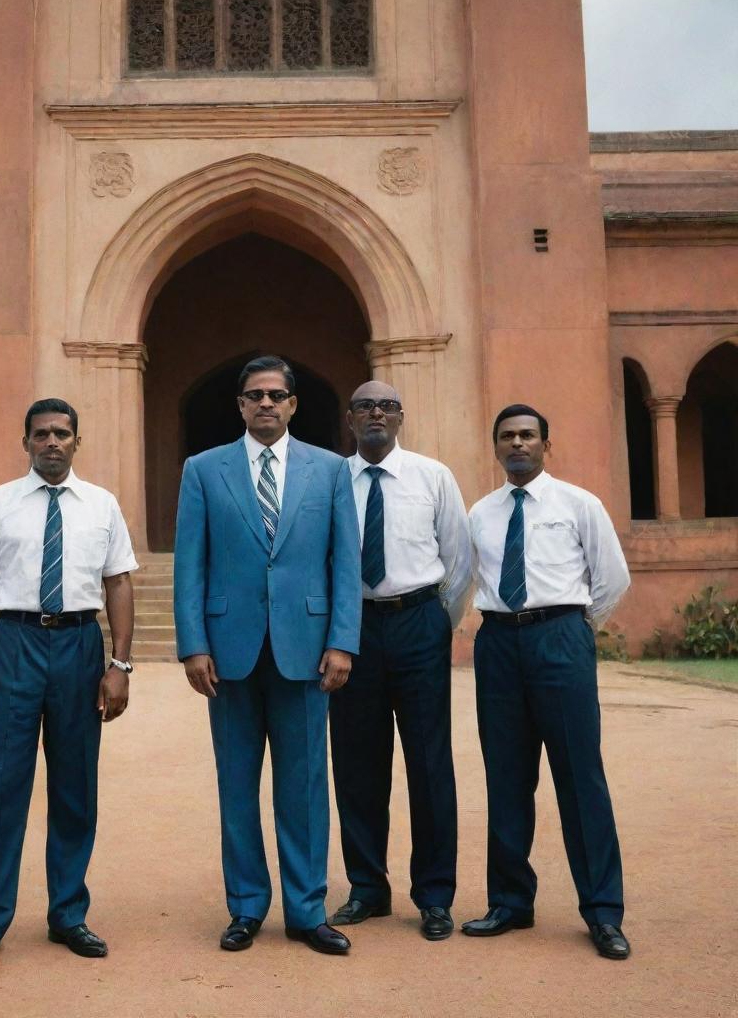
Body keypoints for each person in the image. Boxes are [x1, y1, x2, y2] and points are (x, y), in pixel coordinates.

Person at [174, 355, 362, 956]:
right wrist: (193, 643)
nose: (265, 404)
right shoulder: (203, 470)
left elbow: (345, 562)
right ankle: (247, 906)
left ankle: (307, 911)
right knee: (236, 784)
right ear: (239, 405)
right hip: (227, 651)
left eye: (276, 395)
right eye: (254, 395)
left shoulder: (330, 470)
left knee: (305, 786)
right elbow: (190, 564)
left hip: (306, 650)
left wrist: (342, 640)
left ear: (293, 404)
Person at [0, 398, 136, 973]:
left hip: (81, 645)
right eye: (41, 434)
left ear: (76, 442)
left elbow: (119, 584)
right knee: (2, 783)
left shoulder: (102, 505)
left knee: (75, 785)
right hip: (14, 643)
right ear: (26, 441)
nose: (52, 442)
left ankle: (68, 913)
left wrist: (120, 664)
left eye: (61, 433)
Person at [462, 405, 632, 960]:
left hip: (560, 638)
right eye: (507, 436)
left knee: (580, 777)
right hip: (498, 645)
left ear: (546, 445)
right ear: (496, 447)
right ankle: (511, 901)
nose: (518, 444)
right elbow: (467, 579)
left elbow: (611, 580)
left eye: (528, 435)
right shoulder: (480, 514)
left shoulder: (580, 505)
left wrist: (572, 631)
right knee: (506, 776)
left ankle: (603, 912)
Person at [329, 381, 470, 941]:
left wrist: (436, 624)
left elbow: (458, 558)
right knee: (357, 762)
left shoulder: (434, 476)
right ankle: (367, 887)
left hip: (418, 622)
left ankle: (435, 895)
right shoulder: (332, 480)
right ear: (349, 418)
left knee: (430, 761)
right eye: (365, 406)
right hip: (352, 627)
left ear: (402, 416)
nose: (376, 414)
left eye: (386, 405)